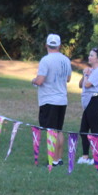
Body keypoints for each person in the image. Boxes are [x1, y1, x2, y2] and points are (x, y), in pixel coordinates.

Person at [31, 34, 72, 167]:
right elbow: (68, 78)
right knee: (59, 130)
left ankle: (53, 160)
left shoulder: (45, 60)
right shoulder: (66, 60)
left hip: (49, 100)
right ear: (59, 46)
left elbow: (40, 80)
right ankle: (58, 158)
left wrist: (33, 81)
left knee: (51, 131)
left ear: (46, 45)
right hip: (62, 99)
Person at [76, 47, 98, 166]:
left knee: (94, 130)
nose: (89, 57)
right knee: (83, 130)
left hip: (95, 101)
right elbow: (81, 85)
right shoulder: (91, 71)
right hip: (88, 103)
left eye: (92, 55)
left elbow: (88, 84)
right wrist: (85, 74)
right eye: (89, 55)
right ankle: (85, 156)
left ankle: (97, 157)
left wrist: (86, 75)